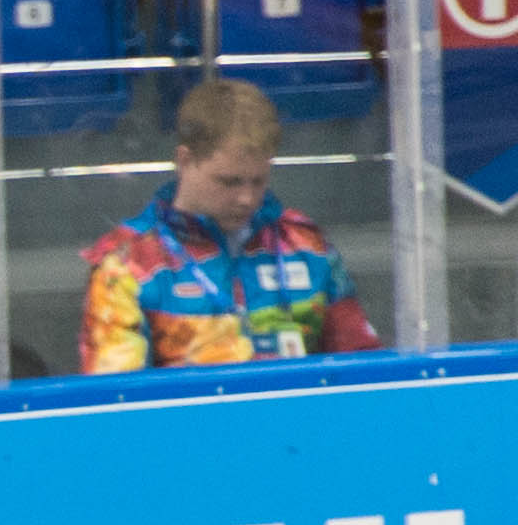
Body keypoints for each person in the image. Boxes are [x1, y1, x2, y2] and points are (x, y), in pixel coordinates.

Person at [81, 75, 381, 372]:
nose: (246, 199)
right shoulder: (127, 263)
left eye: (258, 181)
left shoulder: (306, 246)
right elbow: (117, 398)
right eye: (229, 182)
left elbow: (362, 368)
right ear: (185, 161)